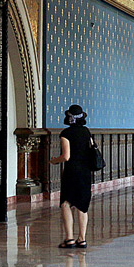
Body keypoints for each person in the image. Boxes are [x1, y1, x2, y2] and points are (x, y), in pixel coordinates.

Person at [50, 104, 94, 248]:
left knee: (66, 203)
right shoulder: (87, 132)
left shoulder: (65, 133)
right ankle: (82, 239)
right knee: (82, 206)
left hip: (72, 172)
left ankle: (69, 239)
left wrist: (54, 160)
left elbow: (66, 156)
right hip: (86, 171)